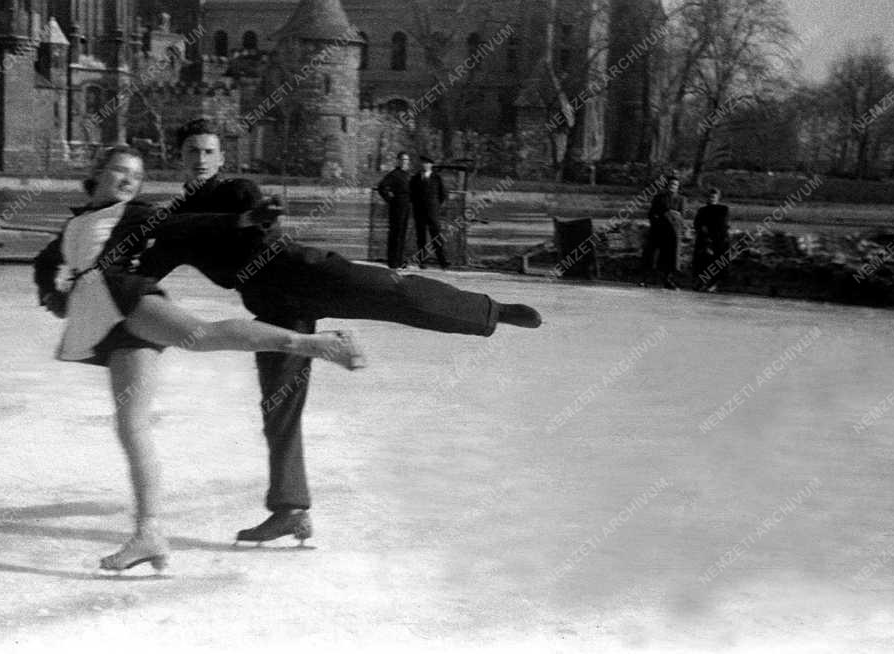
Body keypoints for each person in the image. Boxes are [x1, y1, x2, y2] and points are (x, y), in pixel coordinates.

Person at [136, 117, 543, 546]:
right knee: (279, 405)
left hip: (301, 271)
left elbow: (253, 224)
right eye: (191, 152)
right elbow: (146, 273)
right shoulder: (175, 223)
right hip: (270, 305)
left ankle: (491, 311)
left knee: (392, 291)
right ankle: (290, 509)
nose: (199, 159)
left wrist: (229, 221)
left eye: (207, 152)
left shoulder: (237, 192)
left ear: (221, 157)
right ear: (178, 157)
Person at [32, 146, 364, 572]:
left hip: (125, 295)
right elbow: (47, 260)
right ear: (98, 173)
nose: (129, 180)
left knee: (199, 336)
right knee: (131, 426)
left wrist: (241, 221)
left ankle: (314, 344)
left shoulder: (133, 214)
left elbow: (184, 223)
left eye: (136, 175)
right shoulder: (76, 222)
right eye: (120, 170)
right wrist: (53, 293)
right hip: (104, 322)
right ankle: (149, 532)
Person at [641, 176, 687, 289]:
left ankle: (668, 280)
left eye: (675, 185)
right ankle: (647, 279)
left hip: (672, 232)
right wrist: (662, 217)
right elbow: (651, 214)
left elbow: (682, 215)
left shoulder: (681, 199)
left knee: (670, 257)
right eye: (671, 184)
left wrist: (674, 216)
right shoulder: (659, 198)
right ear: (667, 185)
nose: (673, 186)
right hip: (659, 230)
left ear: (678, 187)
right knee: (653, 255)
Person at [408, 155, 449, 269]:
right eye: (422, 163)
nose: (424, 165)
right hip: (419, 212)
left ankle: (442, 261)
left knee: (436, 236)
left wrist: (435, 206)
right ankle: (422, 261)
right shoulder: (415, 178)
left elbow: (443, 195)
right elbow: (411, 194)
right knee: (421, 237)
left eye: (427, 163)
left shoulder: (437, 178)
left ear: (431, 165)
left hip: (433, 212)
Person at [376, 151, 412, 268]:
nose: (404, 162)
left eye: (406, 160)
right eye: (402, 160)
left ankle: (400, 260)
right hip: (397, 207)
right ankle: (392, 261)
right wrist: (390, 199)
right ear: (398, 161)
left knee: (402, 234)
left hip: (406, 207)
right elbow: (382, 187)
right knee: (395, 234)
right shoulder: (394, 174)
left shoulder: (408, 174)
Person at [691, 187, 730, 292]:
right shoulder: (702, 210)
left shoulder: (723, 209)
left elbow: (722, 225)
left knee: (718, 262)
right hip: (704, 239)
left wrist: (713, 238)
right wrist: (704, 233)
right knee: (702, 262)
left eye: (714, 197)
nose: (711, 198)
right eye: (710, 196)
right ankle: (702, 282)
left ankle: (714, 284)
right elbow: (697, 224)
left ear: (718, 198)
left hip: (718, 240)